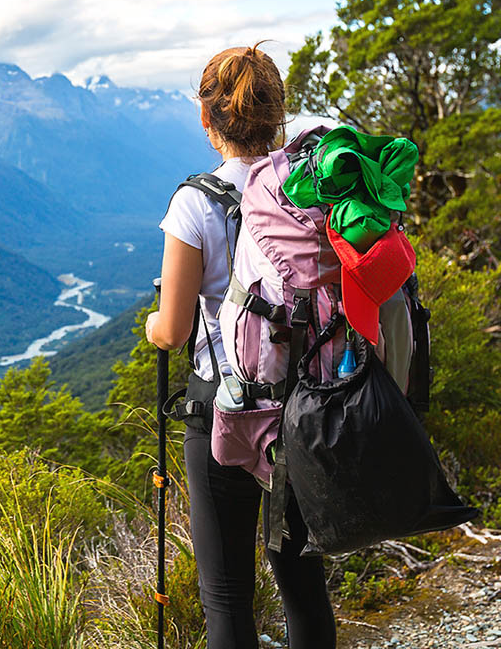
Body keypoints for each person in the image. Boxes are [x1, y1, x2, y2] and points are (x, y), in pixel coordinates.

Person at [144, 44, 337, 649]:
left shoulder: (194, 204)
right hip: (305, 410)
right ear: (279, 113)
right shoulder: (307, 185)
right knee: (302, 582)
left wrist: (154, 322)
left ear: (207, 121)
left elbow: (173, 332)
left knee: (227, 598)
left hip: (223, 413)